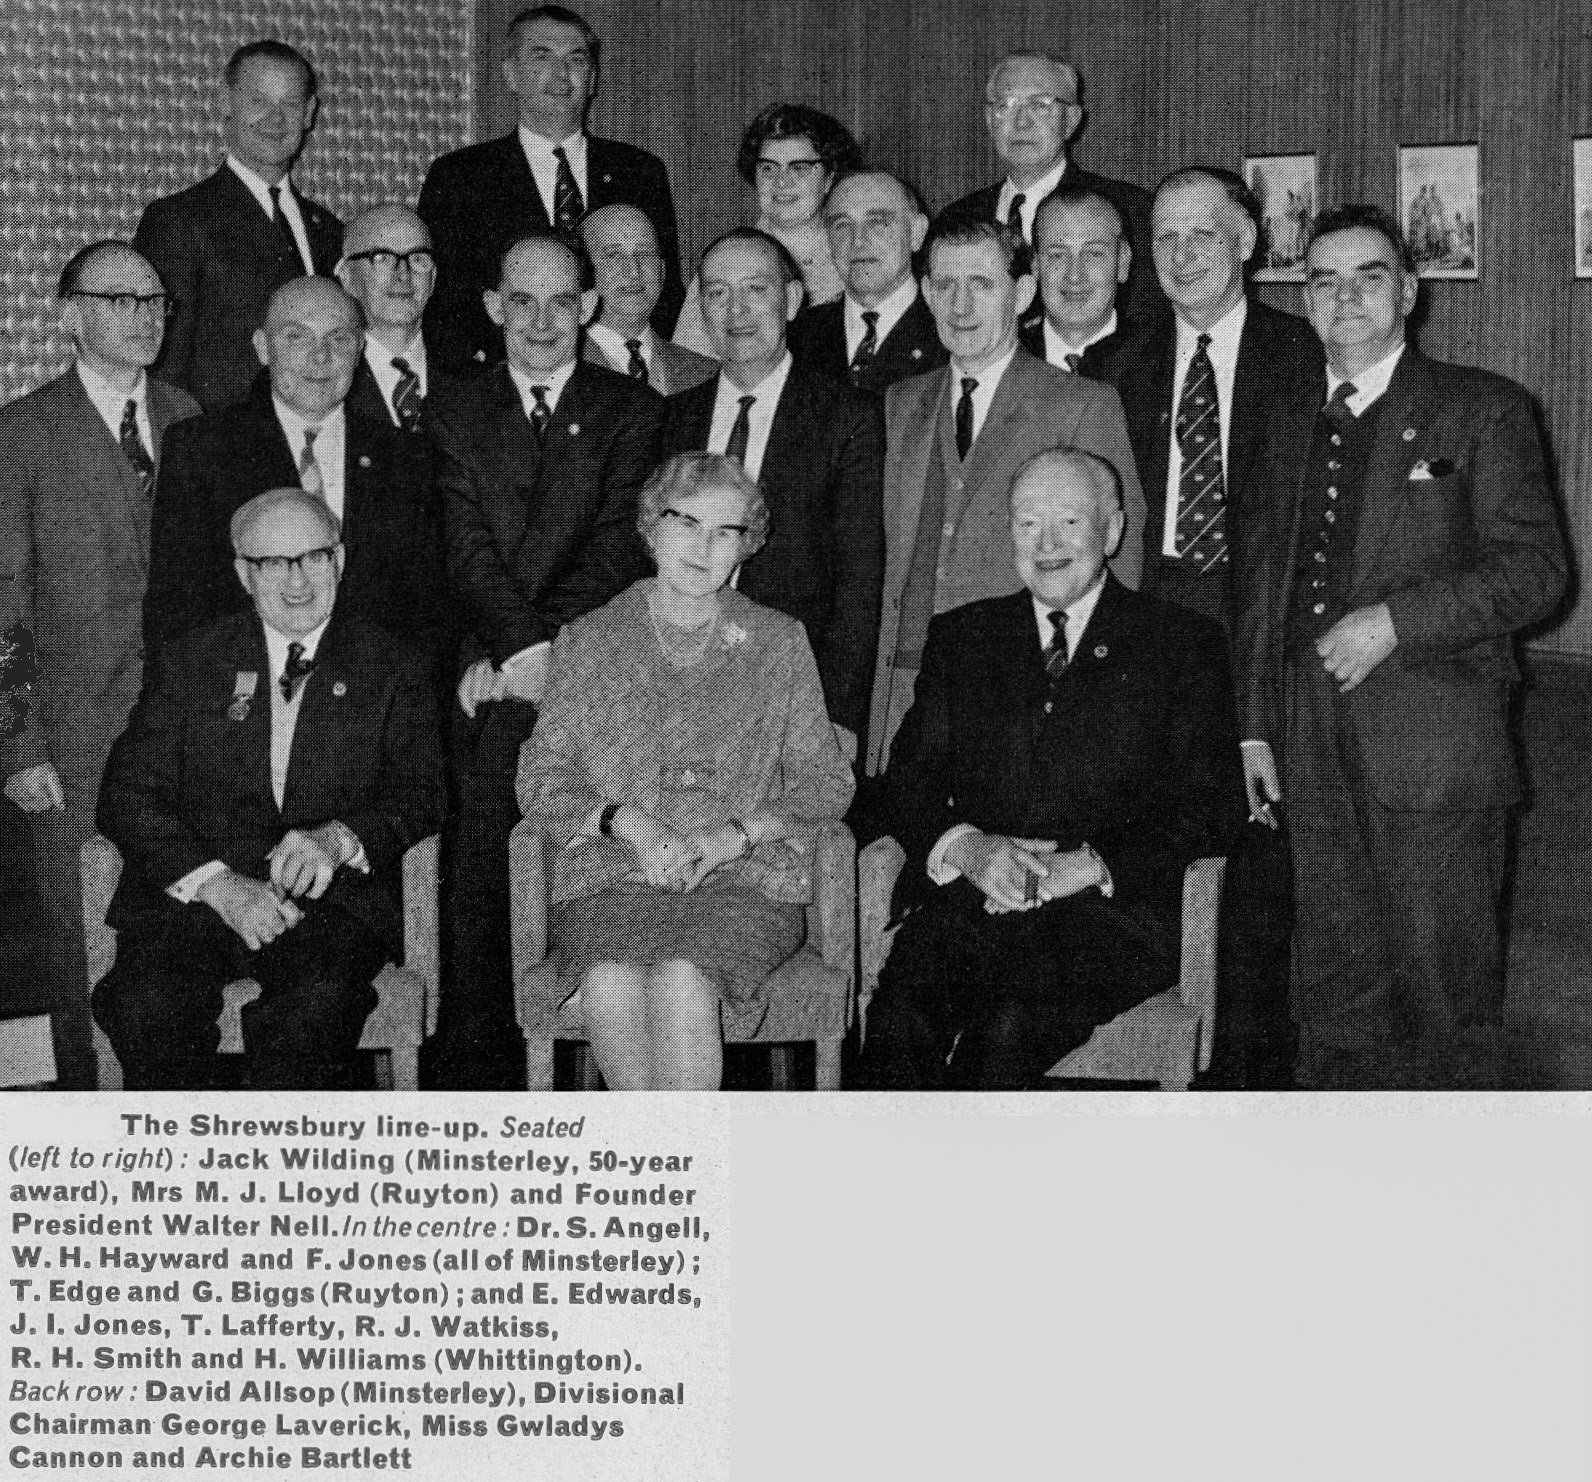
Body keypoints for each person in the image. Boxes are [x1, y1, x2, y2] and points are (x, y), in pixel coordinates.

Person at [1237, 204, 1567, 1090]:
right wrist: (1255, 729)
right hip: (1306, 749)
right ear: (1304, 301)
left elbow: (1537, 572)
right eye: (1323, 279)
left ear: (1410, 293)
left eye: (1368, 275)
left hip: (1435, 752)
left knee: (1444, 1005)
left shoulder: (1484, 410)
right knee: (1332, 999)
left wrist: (1395, 622)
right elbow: (1262, 589)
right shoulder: (1280, 421)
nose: (1344, 296)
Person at [858, 448, 1243, 1090]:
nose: (1047, 542)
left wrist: (1091, 862)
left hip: (1107, 916)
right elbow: (906, 783)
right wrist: (969, 847)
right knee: (901, 1021)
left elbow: (1213, 804)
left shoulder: (1181, 644)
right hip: (974, 894)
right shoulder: (964, 637)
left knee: (1005, 1032)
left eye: (1068, 520)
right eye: (1028, 521)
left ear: (1113, 530)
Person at [518, 452, 854, 1089]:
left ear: (745, 547)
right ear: (650, 527)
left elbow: (827, 782)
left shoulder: (779, 641)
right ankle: (678, 1171)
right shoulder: (589, 639)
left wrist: (735, 835)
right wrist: (622, 823)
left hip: (742, 881)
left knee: (680, 978)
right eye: (686, 523)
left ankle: (668, 1171)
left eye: (725, 531)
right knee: (610, 982)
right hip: (614, 875)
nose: (703, 546)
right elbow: (540, 779)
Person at [93, 489, 445, 1089]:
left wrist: (339, 839)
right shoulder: (191, 661)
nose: (298, 582)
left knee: (311, 1015)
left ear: (340, 558)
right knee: (147, 1004)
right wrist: (217, 884)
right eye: (273, 564)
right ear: (242, 574)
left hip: (328, 909)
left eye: (313, 557)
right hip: (198, 901)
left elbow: (424, 791)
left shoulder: (393, 665)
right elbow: (125, 795)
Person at [431, 233, 662, 1089]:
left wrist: (543, 657)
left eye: (560, 302)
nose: (540, 321)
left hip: (593, 665)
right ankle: (478, 1077)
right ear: (493, 306)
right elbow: (462, 549)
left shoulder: (632, 410)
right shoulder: (452, 407)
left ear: (589, 307)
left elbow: (616, 550)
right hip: (486, 666)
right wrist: (512, 651)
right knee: (477, 854)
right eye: (520, 302)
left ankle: (575, 1072)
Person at [1113, 166, 1323, 1088]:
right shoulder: (1119, 364)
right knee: (1150, 847)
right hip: (1151, 640)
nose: (1183, 254)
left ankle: (1246, 1080)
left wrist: (1261, 704)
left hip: (1262, 635)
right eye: (1165, 237)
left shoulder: (1304, 354)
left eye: (1205, 234)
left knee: (1255, 873)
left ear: (1248, 242)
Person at [0, 241, 200, 1089]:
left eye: (155, 301)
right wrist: (18, 746)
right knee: (87, 964)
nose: (146, 316)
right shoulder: (20, 433)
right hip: (72, 750)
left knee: (178, 963)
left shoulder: (193, 418)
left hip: (188, 750)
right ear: (70, 314)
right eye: (122, 300)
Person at [865, 218, 1144, 778]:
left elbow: (1121, 566)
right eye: (945, 286)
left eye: (982, 285)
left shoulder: (1081, 405)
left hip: (1021, 695)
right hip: (902, 691)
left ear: (1021, 293)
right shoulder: (899, 404)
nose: (961, 305)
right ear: (924, 292)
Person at [143, 277, 446, 678]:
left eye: (338, 339)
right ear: (263, 349)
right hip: (244, 706)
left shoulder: (408, 459)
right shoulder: (202, 449)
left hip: (374, 705)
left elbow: (428, 612)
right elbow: (179, 606)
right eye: (297, 338)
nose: (320, 357)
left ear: (360, 350)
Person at [658, 230, 885, 756]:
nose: (735, 310)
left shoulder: (846, 417)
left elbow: (859, 578)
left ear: (792, 299)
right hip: (677, 686)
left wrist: (839, 716)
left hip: (792, 692)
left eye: (755, 289)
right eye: (717, 293)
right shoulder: (672, 418)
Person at [418, 4, 684, 375]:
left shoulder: (639, 172)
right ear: (511, 74)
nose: (562, 74)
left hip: (624, 388)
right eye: (542, 57)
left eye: (576, 60)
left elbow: (666, 292)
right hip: (504, 388)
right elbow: (444, 305)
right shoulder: (461, 177)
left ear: (592, 79)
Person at [134, 40, 341, 411]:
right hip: (223, 455)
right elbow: (160, 372)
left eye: (290, 104)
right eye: (259, 101)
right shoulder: (180, 220)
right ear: (227, 104)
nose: (275, 120)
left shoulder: (329, 230)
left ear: (309, 113)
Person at [937, 51, 1165, 327]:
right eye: (1006, 105)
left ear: (1070, 120)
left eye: (1040, 105)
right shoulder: (956, 218)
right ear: (989, 119)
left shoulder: (1129, 210)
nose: (1021, 122)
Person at [672, 104, 862, 357]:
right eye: (768, 169)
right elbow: (688, 365)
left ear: (829, 178)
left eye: (799, 168)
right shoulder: (725, 261)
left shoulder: (854, 257)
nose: (782, 182)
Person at [788, 169, 949, 393]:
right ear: (826, 241)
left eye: (877, 223)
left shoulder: (950, 332)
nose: (858, 241)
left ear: (916, 233)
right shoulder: (796, 339)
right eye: (842, 225)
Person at [1018, 185, 1161, 381]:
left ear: (1123, 262)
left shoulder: (1160, 363)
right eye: (1057, 255)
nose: (1074, 276)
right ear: (1035, 266)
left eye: (1094, 253)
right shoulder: (1003, 360)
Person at [336, 202, 458, 431]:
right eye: (382, 258)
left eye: (418, 259)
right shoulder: (328, 379)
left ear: (433, 278)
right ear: (347, 277)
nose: (403, 275)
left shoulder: (471, 379)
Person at [579, 204, 716, 393]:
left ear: (662, 270)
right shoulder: (558, 367)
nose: (634, 271)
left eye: (645, 253)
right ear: (581, 273)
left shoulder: (707, 375)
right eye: (613, 255)